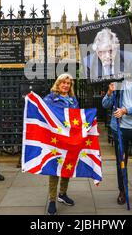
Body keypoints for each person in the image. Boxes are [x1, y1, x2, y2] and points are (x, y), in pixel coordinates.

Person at [43, 73, 79, 215]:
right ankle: (52, 200)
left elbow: (77, 117)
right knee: (54, 168)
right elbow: (43, 114)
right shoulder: (50, 98)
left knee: (67, 166)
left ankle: (62, 194)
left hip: (69, 139)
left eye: (68, 83)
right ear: (58, 84)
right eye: (63, 83)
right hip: (55, 139)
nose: (65, 85)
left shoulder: (73, 99)